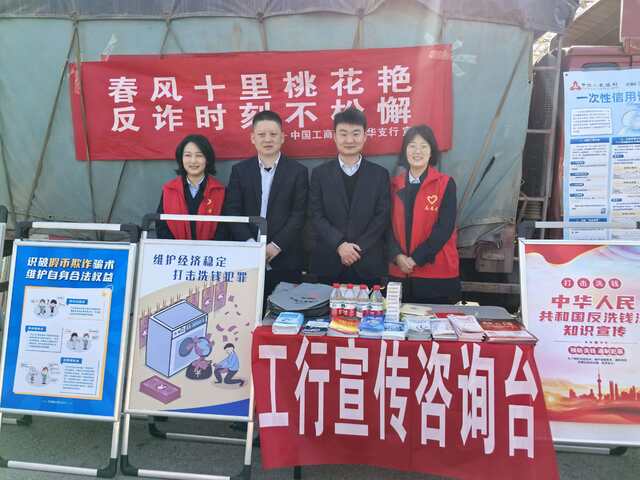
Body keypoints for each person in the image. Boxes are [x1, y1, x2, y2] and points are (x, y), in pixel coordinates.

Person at [223, 111, 308, 295]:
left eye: (273, 134)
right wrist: (251, 245)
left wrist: (275, 246)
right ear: (253, 138)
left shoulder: (298, 172)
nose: (268, 139)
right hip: (247, 256)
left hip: (285, 258)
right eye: (261, 134)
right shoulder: (240, 171)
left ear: (282, 137)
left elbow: (299, 214)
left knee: (284, 310)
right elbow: (232, 210)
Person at [309, 107, 390, 286]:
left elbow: (382, 217)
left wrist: (357, 249)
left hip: (368, 263)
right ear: (334, 136)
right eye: (343, 134)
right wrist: (340, 245)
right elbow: (316, 214)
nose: (349, 140)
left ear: (365, 136)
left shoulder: (379, 174)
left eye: (355, 134)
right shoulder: (320, 174)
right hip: (329, 262)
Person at [387, 124, 460, 304]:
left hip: (436, 275)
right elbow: (385, 226)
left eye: (423, 146)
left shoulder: (445, 184)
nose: (417, 151)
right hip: (400, 272)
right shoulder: (393, 185)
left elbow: (444, 228)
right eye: (412, 146)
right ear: (405, 151)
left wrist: (415, 259)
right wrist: (397, 256)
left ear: (431, 151)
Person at [156, 134, 225, 240]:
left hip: (211, 249)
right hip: (175, 249)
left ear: (207, 159)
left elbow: (224, 228)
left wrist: (209, 248)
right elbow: (161, 226)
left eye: (199, 155)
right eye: (188, 155)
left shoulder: (220, 191)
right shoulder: (169, 189)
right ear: (181, 158)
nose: (193, 161)